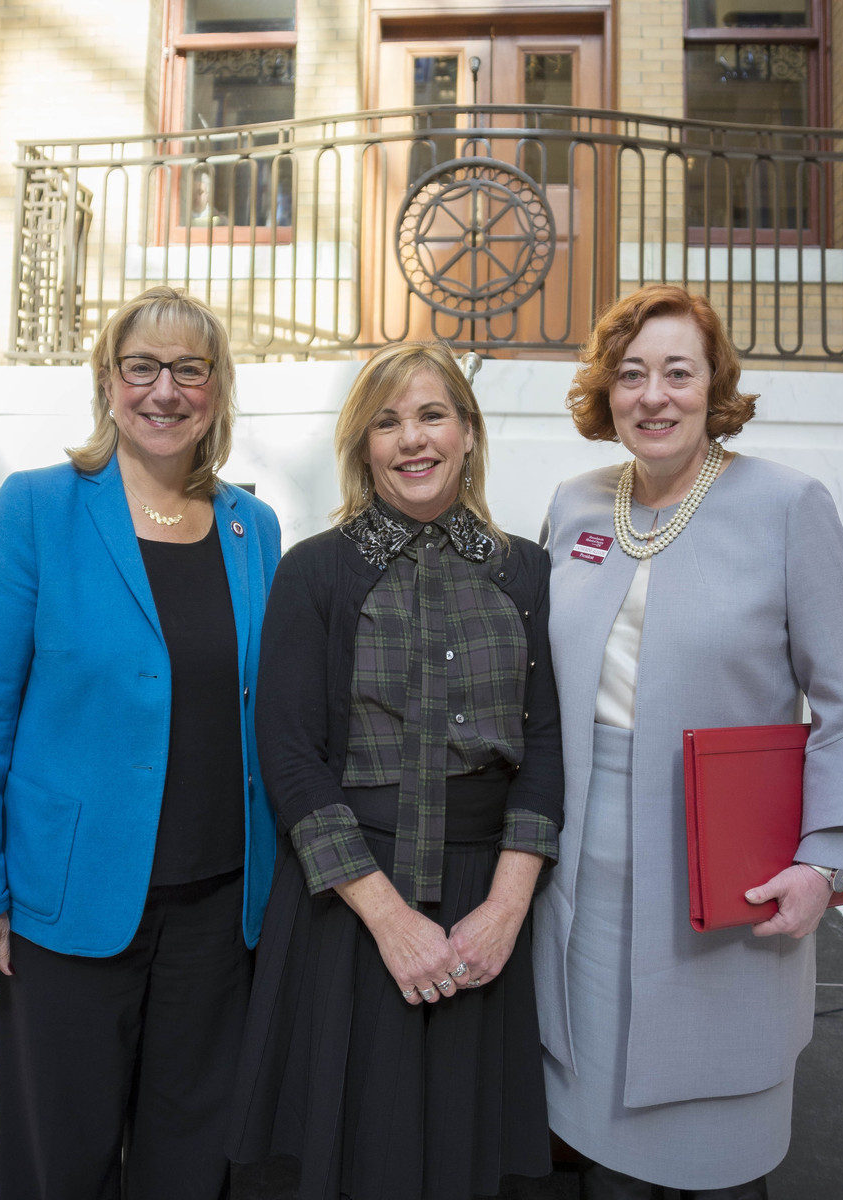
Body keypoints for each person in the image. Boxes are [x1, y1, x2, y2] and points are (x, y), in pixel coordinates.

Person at [533, 284, 843, 1199]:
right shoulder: (576, 503)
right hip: (583, 866)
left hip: (721, 872)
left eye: (677, 372)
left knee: (715, 1149)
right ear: (606, 392)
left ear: (714, 386)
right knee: (596, 1130)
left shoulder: (788, 505)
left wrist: (823, 862)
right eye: (631, 375)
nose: (653, 396)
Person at [0, 286, 281, 1200]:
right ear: (109, 384)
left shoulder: (253, 528)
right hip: (66, 910)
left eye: (189, 369)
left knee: (193, 1160)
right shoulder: (39, 508)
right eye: (141, 367)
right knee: (60, 1163)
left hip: (220, 912)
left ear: (217, 388)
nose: (165, 390)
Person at [227, 341, 564, 1200]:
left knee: (464, 1154)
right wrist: (389, 920)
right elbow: (291, 758)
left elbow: (548, 745)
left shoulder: (525, 569)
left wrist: (504, 910)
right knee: (354, 1152)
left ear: (468, 433)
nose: (411, 439)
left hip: (482, 900)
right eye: (387, 422)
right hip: (353, 903)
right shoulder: (316, 569)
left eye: (431, 415)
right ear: (362, 445)